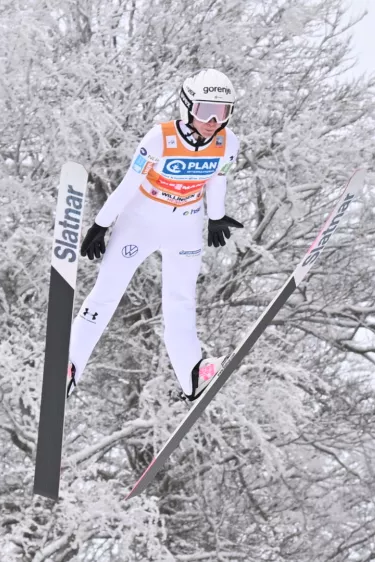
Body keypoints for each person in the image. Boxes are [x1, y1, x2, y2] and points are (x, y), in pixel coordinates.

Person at [67, 69, 243, 401]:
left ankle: (193, 374)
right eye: (206, 110)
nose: (213, 121)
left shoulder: (227, 142)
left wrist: (216, 217)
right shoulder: (159, 139)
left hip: (186, 224)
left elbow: (219, 180)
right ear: (188, 106)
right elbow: (128, 186)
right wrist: (102, 223)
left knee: (180, 301)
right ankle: (70, 366)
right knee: (106, 294)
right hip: (141, 220)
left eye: (223, 113)